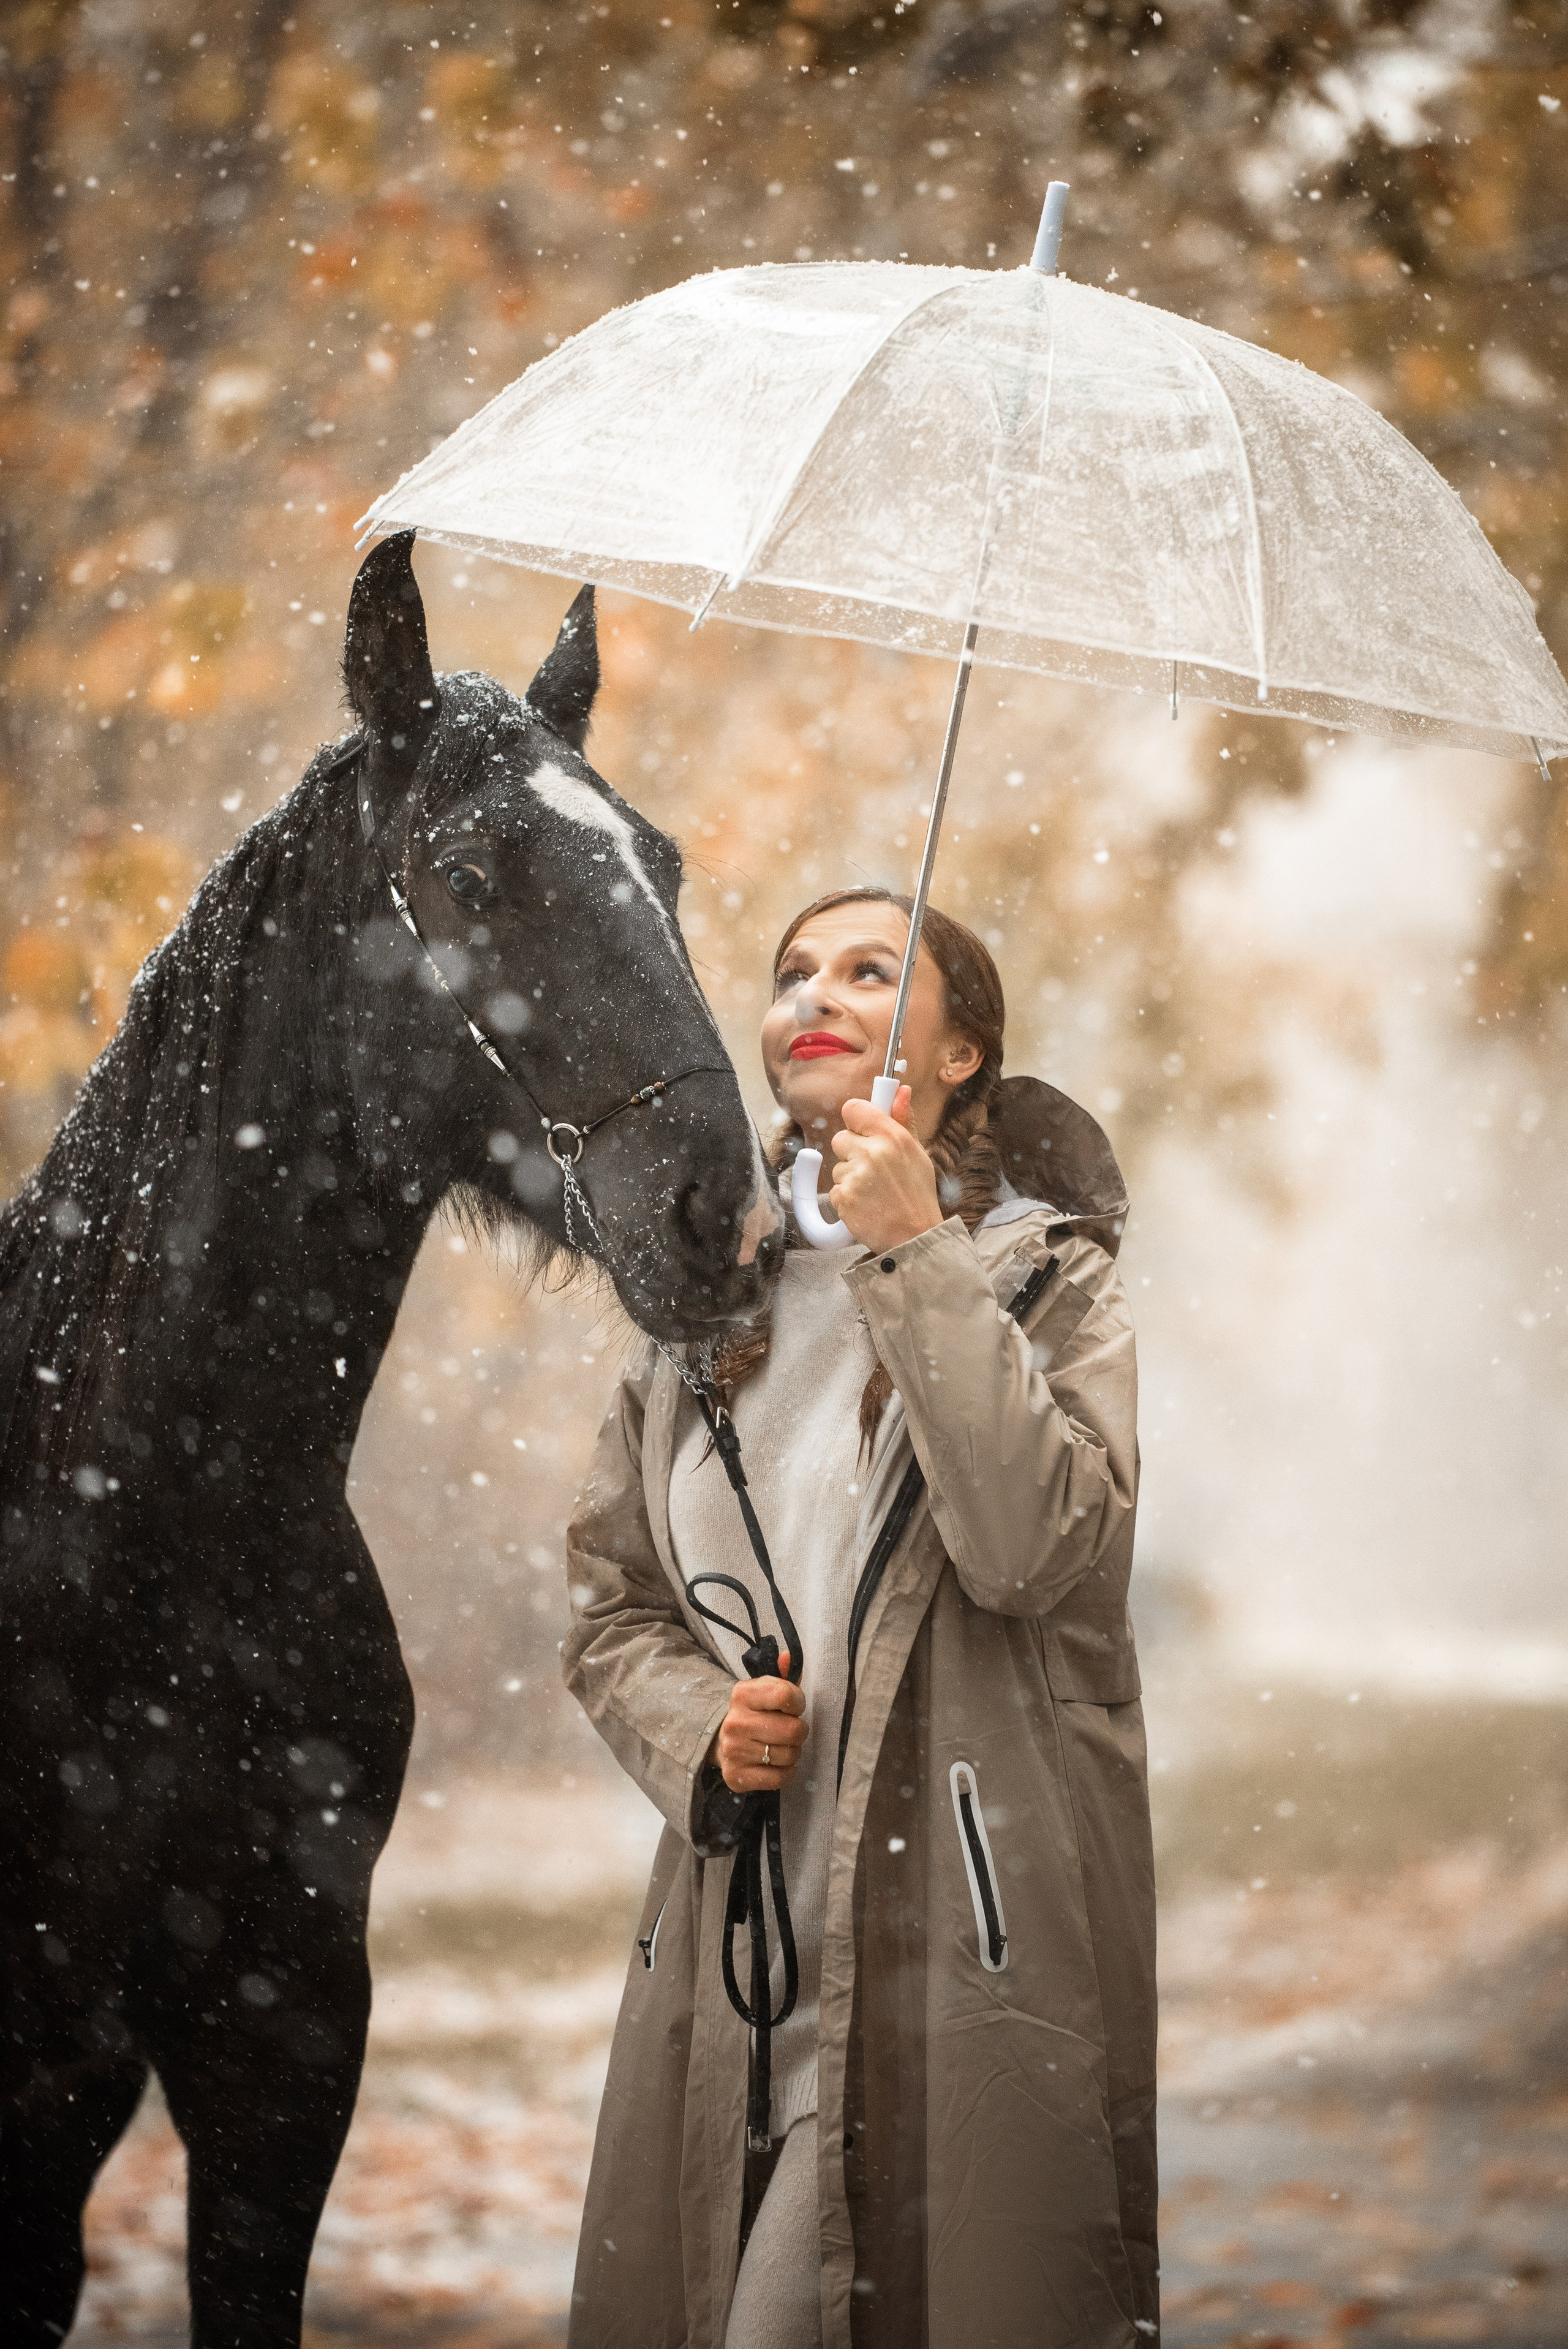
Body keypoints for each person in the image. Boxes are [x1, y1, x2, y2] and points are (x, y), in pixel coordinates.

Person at [562, 887, 1156, 2349]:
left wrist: (910, 1258)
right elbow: (611, 1604)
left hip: (953, 1940)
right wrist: (704, 1727)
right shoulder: (696, 1308)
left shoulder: (1042, 1281)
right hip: (729, 1960)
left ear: (962, 1055)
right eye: (790, 971)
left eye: (873, 968)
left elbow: (1035, 1548)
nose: (813, 989)